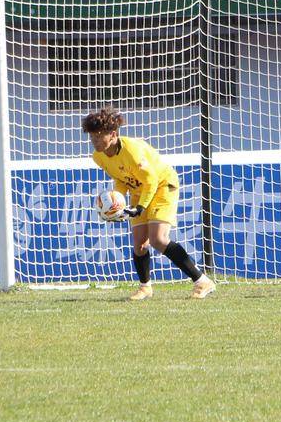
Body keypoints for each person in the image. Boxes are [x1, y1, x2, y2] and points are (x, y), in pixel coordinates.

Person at [83, 105, 216, 301]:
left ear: (113, 134)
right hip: (140, 190)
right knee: (139, 244)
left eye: (98, 136)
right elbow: (121, 178)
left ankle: (202, 281)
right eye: (92, 137)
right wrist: (117, 202)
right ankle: (145, 288)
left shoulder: (132, 151)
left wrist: (140, 207)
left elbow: (151, 180)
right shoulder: (98, 157)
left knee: (158, 239)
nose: (94, 141)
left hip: (162, 185)